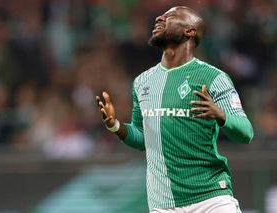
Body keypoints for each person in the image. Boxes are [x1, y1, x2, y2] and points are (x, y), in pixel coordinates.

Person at [96, 6, 253, 213]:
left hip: (211, 198)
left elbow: (246, 133)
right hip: (164, 205)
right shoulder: (143, 82)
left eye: (170, 16)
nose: (159, 17)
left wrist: (221, 115)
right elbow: (144, 138)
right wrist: (115, 126)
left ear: (190, 31)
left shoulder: (213, 78)